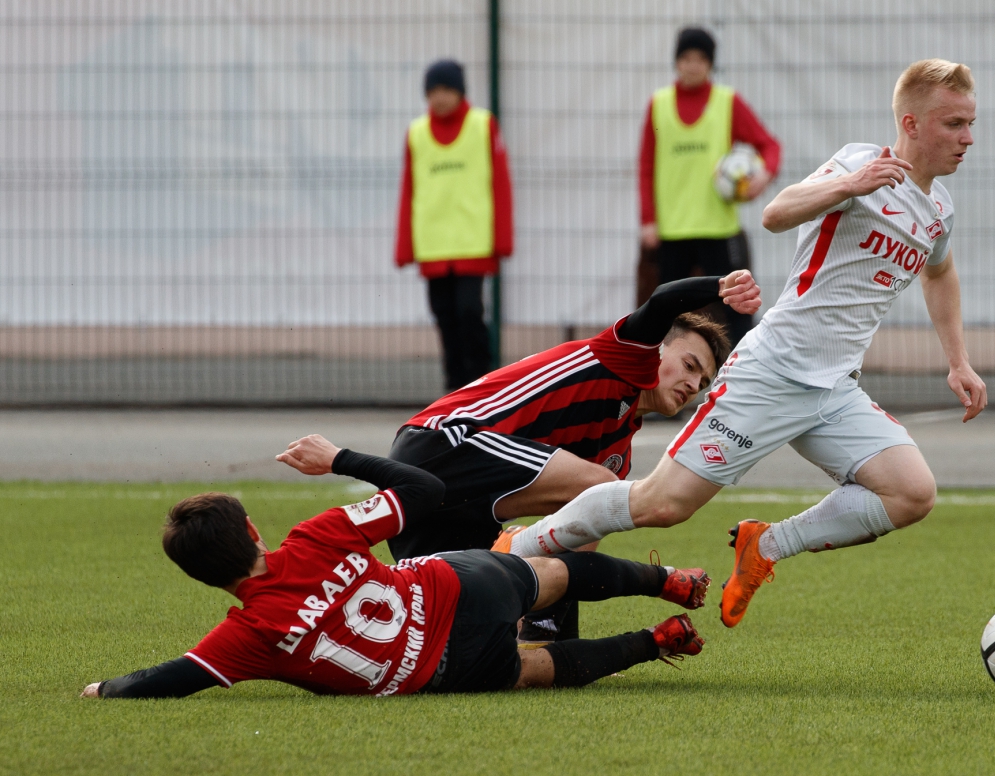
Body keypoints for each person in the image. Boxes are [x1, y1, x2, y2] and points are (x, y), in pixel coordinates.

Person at [503, 59, 988, 629]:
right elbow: (776, 213)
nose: (967, 138)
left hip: (834, 389)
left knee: (912, 493)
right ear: (911, 123)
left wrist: (958, 361)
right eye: (954, 124)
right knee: (662, 504)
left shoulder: (938, 209)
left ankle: (766, 546)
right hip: (772, 372)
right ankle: (518, 546)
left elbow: (939, 272)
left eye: (970, 124)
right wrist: (849, 186)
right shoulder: (861, 163)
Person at [80, 435, 708, 700]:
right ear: (252, 532)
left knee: (532, 670)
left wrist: (106, 689)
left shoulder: (246, 636)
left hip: (447, 669)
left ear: (201, 576)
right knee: (551, 573)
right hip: (459, 587)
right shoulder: (315, 537)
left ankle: (658, 642)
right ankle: (669, 583)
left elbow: (171, 678)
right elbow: (424, 488)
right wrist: (340, 458)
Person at [386, 271, 757, 645]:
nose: (693, 386)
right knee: (602, 494)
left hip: (450, 511)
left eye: (703, 383)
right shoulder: (626, 356)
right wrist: (721, 286)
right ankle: (516, 556)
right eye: (690, 366)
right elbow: (663, 299)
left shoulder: (617, 452)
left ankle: (541, 634)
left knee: (466, 633)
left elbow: (574, 546)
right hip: (439, 445)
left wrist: (560, 644)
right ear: (656, 348)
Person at [637, 27, 782, 347]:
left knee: (737, 308)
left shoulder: (727, 102)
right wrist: (648, 220)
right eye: (686, 58)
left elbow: (769, 145)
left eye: (701, 59)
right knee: (667, 313)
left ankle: (743, 370)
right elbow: (646, 167)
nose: (693, 65)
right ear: (676, 62)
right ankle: (664, 373)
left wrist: (764, 175)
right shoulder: (658, 105)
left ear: (710, 64)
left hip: (719, 228)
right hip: (673, 231)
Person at [395, 59, 513, 392]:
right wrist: (405, 248)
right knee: (444, 318)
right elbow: (408, 191)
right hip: (433, 246)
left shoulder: (483, 125)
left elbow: (500, 184)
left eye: (447, 89)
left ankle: (482, 384)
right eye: (433, 91)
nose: (440, 97)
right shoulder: (417, 133)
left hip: (472, 243)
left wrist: (502, 239)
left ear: (461, 92)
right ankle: (455, 390)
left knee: (469, 313)